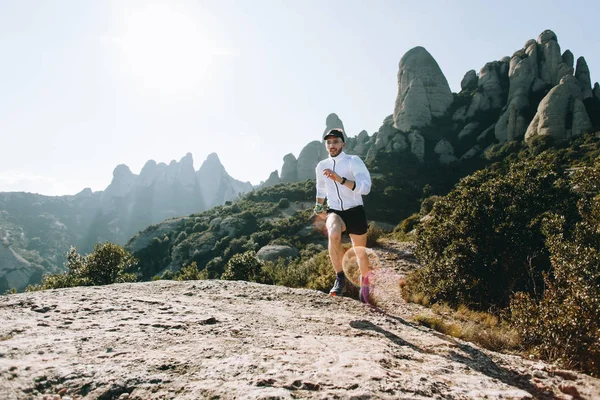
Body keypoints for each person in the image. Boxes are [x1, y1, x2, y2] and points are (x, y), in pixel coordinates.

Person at [314, 128, 372, 303]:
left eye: (335, 142)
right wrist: (318, 206)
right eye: (329, 143)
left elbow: (366, 187)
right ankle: (340, 278)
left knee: (360, 253)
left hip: (355, 210)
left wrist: (340, 180)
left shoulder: (353, 161)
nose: (332, 145)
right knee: (332, 234)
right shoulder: (321, 165)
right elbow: (321, 188)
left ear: (343, 144)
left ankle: (365, 284)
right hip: (335, 211)